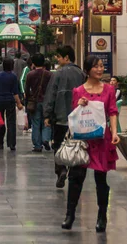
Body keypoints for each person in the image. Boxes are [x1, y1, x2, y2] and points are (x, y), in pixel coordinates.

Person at [61, 55, 120, 233]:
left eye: (101, 66)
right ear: (87, 70)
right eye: (96, 67)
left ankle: (102, 216)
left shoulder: (109, 90)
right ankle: (70, 214)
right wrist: (79, 104)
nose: (100, 69)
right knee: (76, 177)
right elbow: (74, 114)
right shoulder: (78, 90)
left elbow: (112, 112)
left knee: (101, 178)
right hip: (83, 140)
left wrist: (115, 133)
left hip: (101, 139)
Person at [43, 45, 84, 188]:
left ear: (66, 57)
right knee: (76, 145)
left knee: (59, 145)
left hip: (60, 118)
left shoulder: (58, 74)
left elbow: (51, 95)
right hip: (78, 117)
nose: (57, 59)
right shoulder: (81, 74)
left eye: (59, 57)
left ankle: (60, 169)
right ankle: (73, 170)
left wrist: (47, 115)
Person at [0, 58, 23, 151]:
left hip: (0, 101)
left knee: (0, 122)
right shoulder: (13, 76)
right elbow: (15, 92)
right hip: (10, 101)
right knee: (11, 122)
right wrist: (19, 103)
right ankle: (11, 143)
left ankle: (0, 142)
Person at [25, 53, 52, 152]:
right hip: (47, 102)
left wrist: (27, 100)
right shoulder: (49, 74)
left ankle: (37, 145)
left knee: (36, 123)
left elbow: (27, 89)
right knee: (47, 121)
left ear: (34, 63)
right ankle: (45, 139)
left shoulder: (30, 74)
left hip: (35, 102)